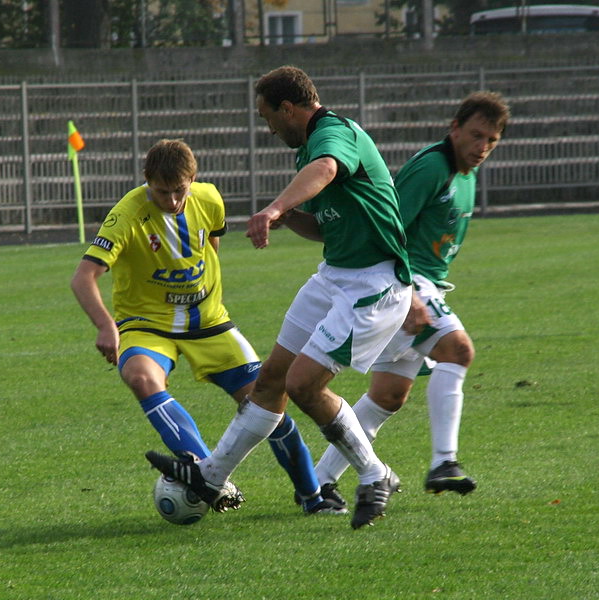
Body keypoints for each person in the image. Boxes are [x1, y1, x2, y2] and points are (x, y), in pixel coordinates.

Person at [147, 66, 418, 529]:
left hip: (374, 284)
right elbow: (324, 225)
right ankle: (211, 477)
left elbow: (327, 169)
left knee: (303, 385)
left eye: (268, 117)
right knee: (270, 379)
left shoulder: (335, 133)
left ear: (288, 108)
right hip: (335, 275)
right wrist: (288, 220)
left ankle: (376, 474)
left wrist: (276, 206)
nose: (268, 128)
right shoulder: (307, 153)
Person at [71, 138, 344, 515]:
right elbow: (83, 277)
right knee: (140, 376)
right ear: (146, 180)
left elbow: (211, 243)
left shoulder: (210, 198)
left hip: (210, 322)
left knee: (268, 403)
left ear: (193, 180)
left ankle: (312, 496)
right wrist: (105, 326)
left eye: (178, 191)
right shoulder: (127, 214)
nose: (170, 200)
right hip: (147, 324)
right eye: (161, 192)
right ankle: (205, 472)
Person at [311, 91, 511, 497]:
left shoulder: (465, 174)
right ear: (454, 129)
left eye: (491, 140)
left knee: (387, 396)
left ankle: (318, 483)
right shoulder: (432, 167)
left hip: (423, 283)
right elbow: (389, 226)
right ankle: (443, 463)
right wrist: (408, 292)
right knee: (458, 351)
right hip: (405, 279)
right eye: (475, 135)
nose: (482, 147)